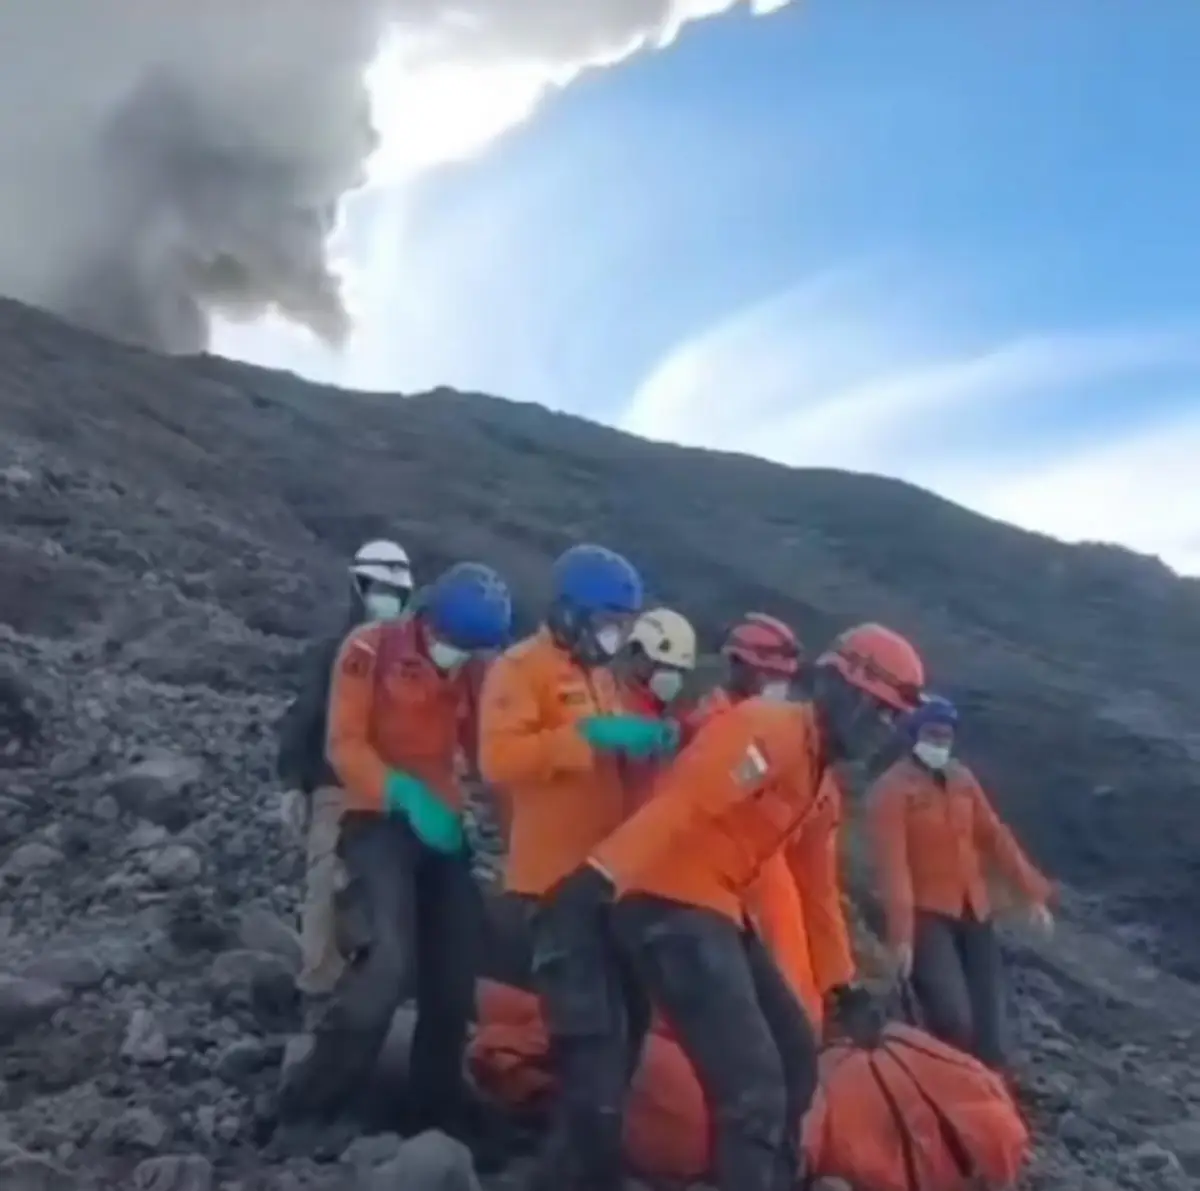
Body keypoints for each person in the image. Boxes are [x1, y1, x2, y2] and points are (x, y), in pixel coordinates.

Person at [579, 622, 926, 1191]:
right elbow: (684, 802)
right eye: (879, 710)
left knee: (796, 1058)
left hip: (713, 910)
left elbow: (818, 889)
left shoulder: (819, 778)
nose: (882, 729)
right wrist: (602, 873)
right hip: (666, 903)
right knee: (754, 1088)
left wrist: (842, 985)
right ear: (842, 688)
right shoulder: (770, 731)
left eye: (893, 718)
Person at [277, 561, 514, 1148]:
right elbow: (344, 743)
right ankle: (309, 1102)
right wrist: (403, 792)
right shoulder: (370, 648)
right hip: (375, 818)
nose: (460, 656)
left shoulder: (472, 666)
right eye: (456, 643)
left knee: (454, 974)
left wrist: (511, 820)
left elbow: (483, 751)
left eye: (472, 649)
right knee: (385, 965)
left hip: (441, 828)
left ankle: (435, 1103)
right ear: (429, 620)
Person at [479, 543, 675, 1191]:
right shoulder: (520, 668)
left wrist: (644, 746)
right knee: (590, 1036)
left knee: (629, 1023)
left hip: (606, 879)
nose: (614, 636)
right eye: (607, 623)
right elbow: (500, 760)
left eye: (621, 624)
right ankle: (569, 1172)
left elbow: (610, 756)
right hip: (555, 882)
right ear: (568, 612)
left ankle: (581, 1156)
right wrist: (582, 740)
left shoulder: (601, 677)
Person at [868, 694, 1055, 1072]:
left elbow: (995, 837)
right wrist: (901, 936)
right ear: (915, 734)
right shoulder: (893, 789)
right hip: (927, 914)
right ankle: (943, 1080)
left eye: (946, 736)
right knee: (953, 1018)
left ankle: (992, 1091)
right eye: (932, 734)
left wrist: (1032, 892)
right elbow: (894, 867)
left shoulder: (962, 780)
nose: (940, 743)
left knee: (991, 1026)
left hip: (974, 909)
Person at [275, 538, 415, 1014]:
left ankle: (379, 983)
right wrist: (293, 783)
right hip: (337, 787)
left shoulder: (410, 661)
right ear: (359, 588)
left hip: (393, 793)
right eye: (379, 590)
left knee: (389, 889)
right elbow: (305, 717)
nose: (387, 600)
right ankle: (319, 985)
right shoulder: (334, 653)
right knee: (326, 882)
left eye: (394, 593)